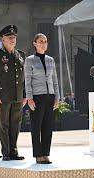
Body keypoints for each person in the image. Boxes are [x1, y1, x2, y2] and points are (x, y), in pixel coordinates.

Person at [0, 25, 26, 161]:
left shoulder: (21, 55)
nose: (12, 40)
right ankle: (6, 152)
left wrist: (25, 95)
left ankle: (14, 151)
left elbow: (23, 78)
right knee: (4, 124)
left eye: (14, 37)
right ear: (3, 40)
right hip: (2, 97)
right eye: (9, 38)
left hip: (18, 96)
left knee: (16, 124)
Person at [24, 33, 60, 164]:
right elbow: (27, 81)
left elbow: (55, 80)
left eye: (45, 41)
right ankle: (38, 154)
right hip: (37, 97)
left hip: (50, 96)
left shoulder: (51, 60)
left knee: (48, 126)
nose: (43, 43)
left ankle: (45, 153)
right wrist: (29, 98)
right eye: (40, 41)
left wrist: (57, 97)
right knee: (36, 126)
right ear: (35, 43)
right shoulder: (29, 60)